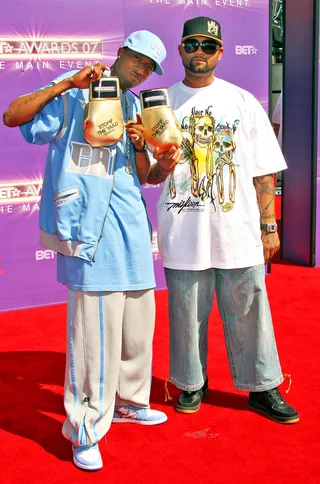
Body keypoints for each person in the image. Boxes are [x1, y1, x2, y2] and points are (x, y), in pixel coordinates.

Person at [3, 30, 179, 471]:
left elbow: (145, 176)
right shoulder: (76, 88)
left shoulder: (138, 105)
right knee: (94, 336)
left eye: (149, 67)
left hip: (133, 230)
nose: (140, 70)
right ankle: (84, 426)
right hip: (87, 229)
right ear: (121, 53)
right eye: (137, 59)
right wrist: (65, 85)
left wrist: (153, 154)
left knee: (139, 325)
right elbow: (12, 117)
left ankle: (131, 401)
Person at [147, 17, 299, 424]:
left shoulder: (243, 101)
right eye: (192, 44)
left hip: (239, 229)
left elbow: (264, 170)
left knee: (251, 309)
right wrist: (161, 163)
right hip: (183, 229)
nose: (200, 51)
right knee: (185, 312)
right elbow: (150, 174)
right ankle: (191, 381)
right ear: (180, 49)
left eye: (209, 45)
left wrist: (270, 226)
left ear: (220, 53)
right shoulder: (158, 104)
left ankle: (263, 386)